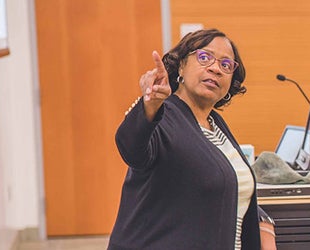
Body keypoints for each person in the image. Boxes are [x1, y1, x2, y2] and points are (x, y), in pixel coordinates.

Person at [112, 29, 264, 249]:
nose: (215, 68)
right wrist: (150, 105)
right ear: (181, 65)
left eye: (226, 65)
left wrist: (263, 221)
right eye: (204, 57)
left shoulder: (214, 123)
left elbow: (226, 188)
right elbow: (132, 148)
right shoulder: (163, 117)